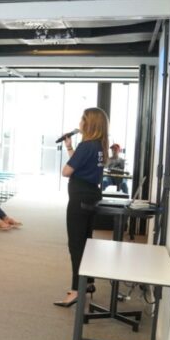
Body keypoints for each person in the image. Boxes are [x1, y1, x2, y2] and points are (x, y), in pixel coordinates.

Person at [56, 108, 108, 308]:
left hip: (79, 199)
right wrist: (70, 148)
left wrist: (73, 152)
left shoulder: (86, 145)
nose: (79, 122)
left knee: (76, 244)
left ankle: (76, 290)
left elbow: (67, 171)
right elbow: (81, 165)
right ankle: (88, 283)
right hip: (92, 195)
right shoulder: (99, 146)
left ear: (89, 123)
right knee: (86, 241)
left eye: (82, 119)